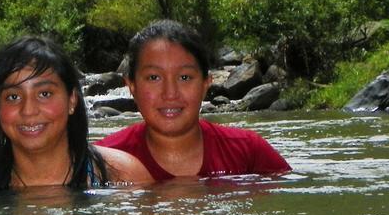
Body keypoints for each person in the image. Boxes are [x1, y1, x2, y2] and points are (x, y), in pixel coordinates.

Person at [96, 20, 291, 180]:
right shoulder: (102, 161)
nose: (170, 93)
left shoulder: (249, 152)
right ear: (132, 86)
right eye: (154, 77)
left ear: (206, 83)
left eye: (185, 77)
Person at [0, 36, 152, 193]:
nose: (28, 110)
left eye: (44, 94)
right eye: (13, 97)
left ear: (72, 100)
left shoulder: (126, 178)